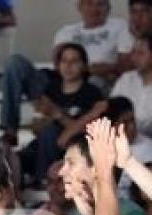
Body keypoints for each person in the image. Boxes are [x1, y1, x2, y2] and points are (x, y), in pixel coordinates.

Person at [7, 43, 105, 183]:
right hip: (42, 146)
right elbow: (36, 127)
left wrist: (57, 115)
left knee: (50, 131)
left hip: (72, 149)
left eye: (74, 61)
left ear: (84, 65)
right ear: (58, 65)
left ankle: (44, 182)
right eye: (64, 61)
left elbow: (87, 130)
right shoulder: (50, 90)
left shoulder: (91, 93)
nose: (68, 65)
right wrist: (49, 121)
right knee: (13, 158)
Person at [53, 0, 126, 89]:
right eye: (89, 3)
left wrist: (109, 68)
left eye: (100, 4)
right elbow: (58, 63)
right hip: (70, 78)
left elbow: (126, 64)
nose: (94, 9)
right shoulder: (66, 31)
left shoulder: (119, 26)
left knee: (95, 81)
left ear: (108, 8)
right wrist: (88, 69)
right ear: (79, 7)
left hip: (102, 81)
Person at [105, 96, 152, 198]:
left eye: (133, 120)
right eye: (125, 123)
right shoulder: (100, 146)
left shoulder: (147, 146)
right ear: (112, 125)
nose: (132, 127)